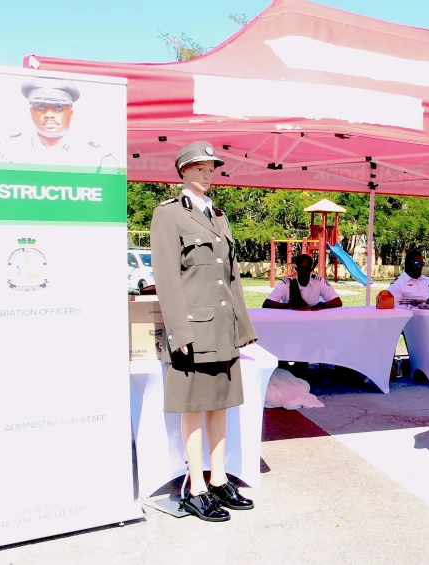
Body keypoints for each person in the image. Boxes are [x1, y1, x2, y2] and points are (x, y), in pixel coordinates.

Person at [150, 141, 257, 522]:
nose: (208, 172)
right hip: (193, 332)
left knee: (220, 404)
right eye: (199, 166)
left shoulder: (218, 216)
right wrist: (180, 335)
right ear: (183, 171)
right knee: (194, 407)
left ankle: (218, 477)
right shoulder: (168, 215)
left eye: (211, 166)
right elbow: (166, 278)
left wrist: (243, 328)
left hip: (222, 330)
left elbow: (232, 280)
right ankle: (195, 487)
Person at [0, 78, 119, 172]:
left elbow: (111, 199)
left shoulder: (96, 157)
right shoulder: (7, 150)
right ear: (31, 112)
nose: (49, 114)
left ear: (71, 113)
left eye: (58, 108)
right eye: (41, 107)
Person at [263, 254, 343, 310]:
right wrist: (289, 306)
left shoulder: (319, 281)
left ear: (311, 270)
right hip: (291, 321)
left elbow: (337, 302)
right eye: (301, 268)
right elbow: (267, 303)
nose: (304, 271)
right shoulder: (287, 284)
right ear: (296, 269)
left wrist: (321, 305)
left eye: (307, 268)